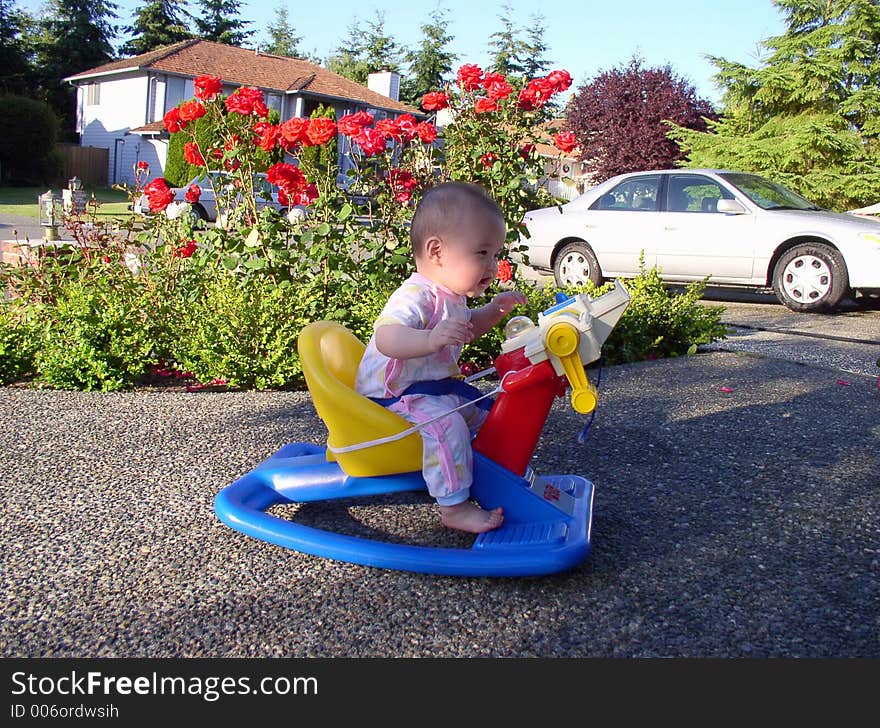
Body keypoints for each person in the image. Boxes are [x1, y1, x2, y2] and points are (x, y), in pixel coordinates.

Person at [355, 181, 527, 534]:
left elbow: (468, 326)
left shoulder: (453, 296)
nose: (493, 266)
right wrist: (430, 338)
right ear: (437, 252)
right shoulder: (416, 294)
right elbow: (387, 337)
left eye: (495, 254)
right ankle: (454, 507)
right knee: (446, 426)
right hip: (393, 396)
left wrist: (493, 311)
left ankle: (483, 474)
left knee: (485, 414)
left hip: (431, 391)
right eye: (482, 253)